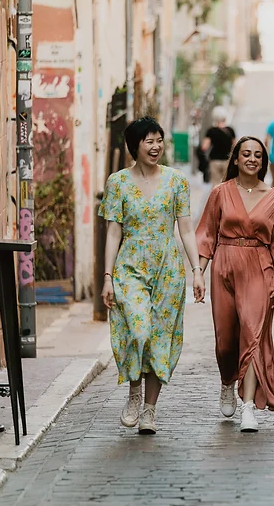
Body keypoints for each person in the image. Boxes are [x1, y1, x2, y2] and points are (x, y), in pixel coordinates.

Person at [100, 117, 206, 435]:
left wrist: (197, 271)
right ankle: (134, 391)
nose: (156, 146)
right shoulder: (117, 182)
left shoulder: (176, 181)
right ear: (135, 146)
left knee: (160, 340)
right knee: (139, 329)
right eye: (149, 140)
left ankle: (149, 409)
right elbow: (113, 233)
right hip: (129, 268)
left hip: (168, 270)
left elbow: (186, 230)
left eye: (159, 140)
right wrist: (107, 277)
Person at [196, 136, 274, 433]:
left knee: (252, 334)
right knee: (226, 341)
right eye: (246, 154)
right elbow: (207, 234)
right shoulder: (220, 192)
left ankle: (248, 407)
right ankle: (227, 380)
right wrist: (199, 272)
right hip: (224, 264)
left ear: (264, 162)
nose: (252, 159)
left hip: (258, 267)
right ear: (235, 159)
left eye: (258, 155)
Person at [200, 107, 236, 184]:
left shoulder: (211, 131)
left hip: (214, 161)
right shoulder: (230, 130)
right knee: (227, 183)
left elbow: (204, 147)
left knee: (215, 183)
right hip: (227, 161)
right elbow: (235, 145)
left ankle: (217, 196)